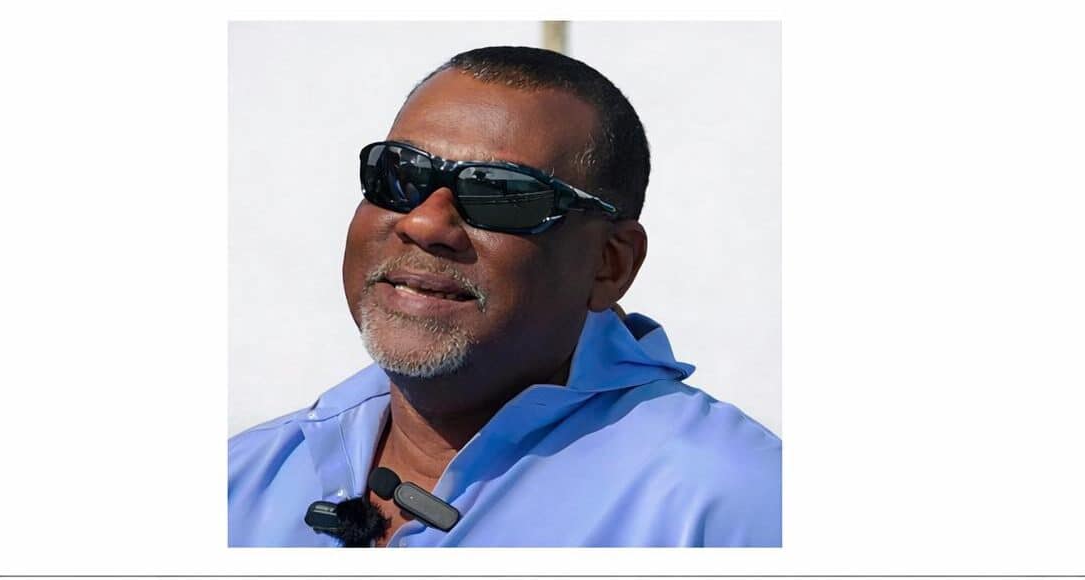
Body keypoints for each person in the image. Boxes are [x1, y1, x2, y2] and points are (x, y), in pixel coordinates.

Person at [228, 46, 781, 547]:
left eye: (499, 193)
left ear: (610, 264)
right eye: (398, 176)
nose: (424, 223)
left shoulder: (730, 507)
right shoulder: (240, 482)